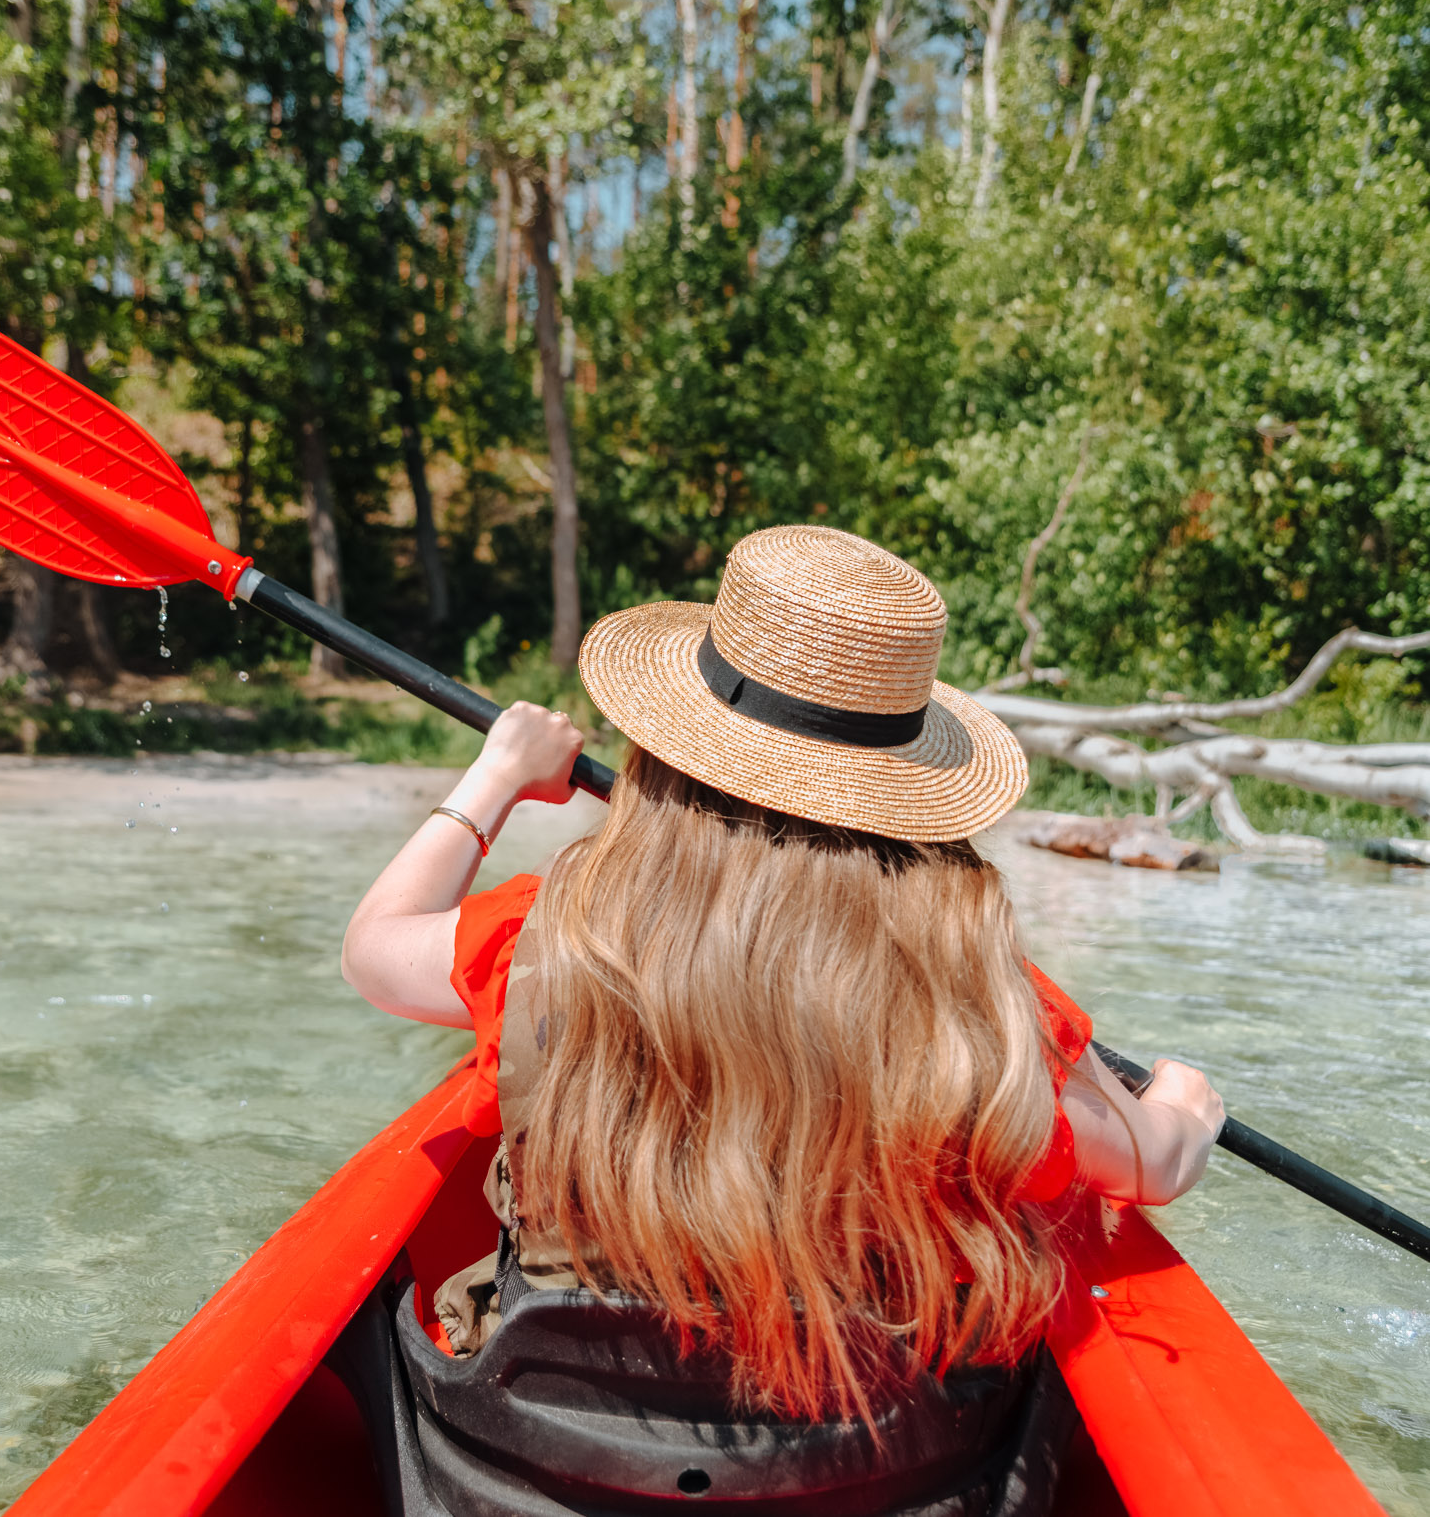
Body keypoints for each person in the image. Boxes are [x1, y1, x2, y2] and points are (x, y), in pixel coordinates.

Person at [342, 524, 1223, 1437]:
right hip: (862, 1463)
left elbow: (375, 948)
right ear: (912, 807)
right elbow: (1153, 1164)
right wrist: (1189, 1106)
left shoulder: (552, 938)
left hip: (556, 1446)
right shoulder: (973, 1011)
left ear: (666, 752)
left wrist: (494, 778)